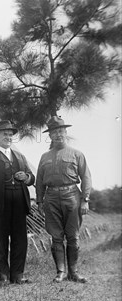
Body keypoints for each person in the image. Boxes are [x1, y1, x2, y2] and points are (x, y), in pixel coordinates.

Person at [0, 120, 35, 285]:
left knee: (20, 240)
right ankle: (2, 276)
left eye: (10, 135)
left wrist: (27, 177)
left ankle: (17, 275)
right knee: (0, 241)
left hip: (19, 203)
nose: (8, 137)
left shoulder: (20, 157)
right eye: (5, 134)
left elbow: (32, 178)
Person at [36, 116, 92, 283]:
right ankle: (61, 272)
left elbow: (86, 177)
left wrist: (85, 199)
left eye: (60, 131)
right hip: (51, 198)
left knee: (73, 236)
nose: (58, 135)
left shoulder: (77, 154)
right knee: (56, 237)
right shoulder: (45, 157)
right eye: (54, 132)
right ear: (50, 136)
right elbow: (39, 181)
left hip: (72, 196)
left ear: (66, 132)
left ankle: (73, 272)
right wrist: (39, 201)